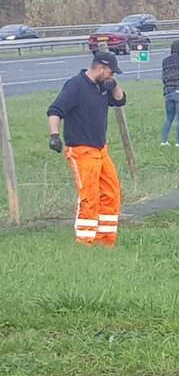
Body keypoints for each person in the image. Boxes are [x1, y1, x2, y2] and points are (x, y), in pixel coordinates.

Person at [46, 51, 127, 247]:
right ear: (100, 68)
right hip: (81, 151)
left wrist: (113, 84)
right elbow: (55, 111)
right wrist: (54, 136)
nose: (111, 76)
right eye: (110, 73)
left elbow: (120, 100)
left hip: (101, 150)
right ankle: (85, 241)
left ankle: (106, 240)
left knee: (111, 192)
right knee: (89, 196)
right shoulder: (76, 85)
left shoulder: (103, 87)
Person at [161, 40, 179, 147]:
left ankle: (164, 141)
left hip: (168, 91)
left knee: (169, 117)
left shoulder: (165, 61)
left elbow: (163, 76)